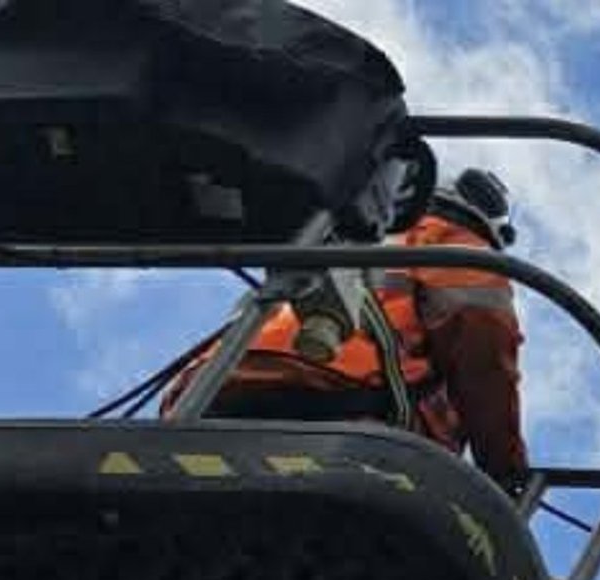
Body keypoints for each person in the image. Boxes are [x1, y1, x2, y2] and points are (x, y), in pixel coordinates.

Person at [163, 166, 529, 492]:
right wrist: (503, 470)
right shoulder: (455, 244)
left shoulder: (338, 230)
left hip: (216, 388)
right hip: (341, 407)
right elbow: (482, 336)